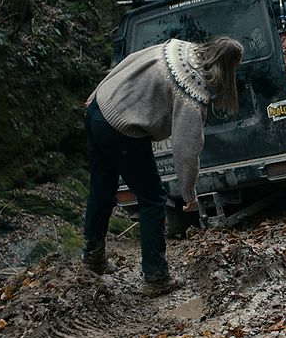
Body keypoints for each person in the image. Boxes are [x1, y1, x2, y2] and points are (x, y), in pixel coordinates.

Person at [82, 36, 243, 296]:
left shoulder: (177, 47)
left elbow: (130, 61)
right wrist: (189, 192)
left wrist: (96, 92)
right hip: (122, 129)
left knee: (102, 188)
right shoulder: (193, 89)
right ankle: (155, 276)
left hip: (99, 108)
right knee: (153, 199)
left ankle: (93, 258)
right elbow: (186, 148)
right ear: (227, 68)